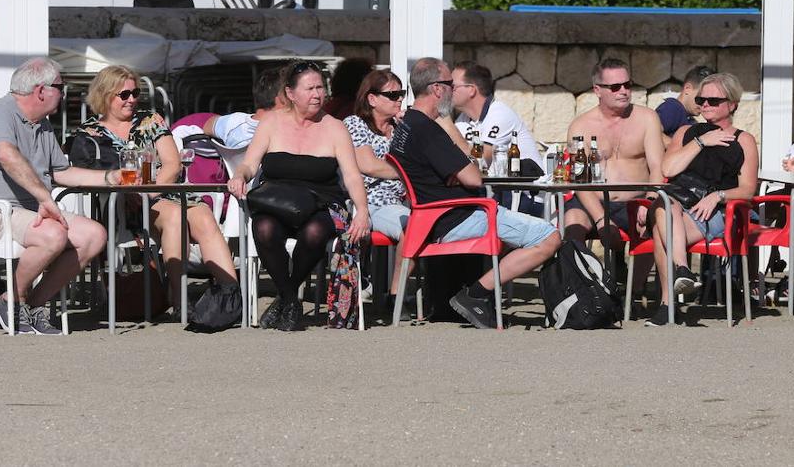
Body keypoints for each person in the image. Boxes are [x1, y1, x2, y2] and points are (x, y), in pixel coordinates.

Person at [388, 57, 559, 330]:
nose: (452, 90)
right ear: (436, 89)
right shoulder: (428, 131)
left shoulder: (406, 126)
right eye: (449, 85)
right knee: (549, 237)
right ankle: (476, 294)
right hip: (456, 217)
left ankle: (474, 295)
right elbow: (473, 176)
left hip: (428, 218)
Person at [72, 65, 237, 312]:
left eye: (135, 93)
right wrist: (132, 193)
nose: (132, 100)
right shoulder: (89, 134)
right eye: (124, 95)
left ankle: (232, 294)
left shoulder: (150, 121)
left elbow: (172, 163)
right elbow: (88, 175)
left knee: (203, 215)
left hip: (161, 190)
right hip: (121, 205)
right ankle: (180, 298)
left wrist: (150, 192)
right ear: (105, 95)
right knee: (173, 215)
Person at [0, 57, 108, 335]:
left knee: (93, 235)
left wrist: (110, 178)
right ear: (41, 90)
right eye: (60, 87)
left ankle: (29, 304)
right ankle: (10, 300)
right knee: (53, 235)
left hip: (24, 214)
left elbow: (61, 172)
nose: (63, 93)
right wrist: (45, 199)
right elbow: (7, 155)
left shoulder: (41, 124)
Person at [227, 61, 371, 331]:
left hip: (322, 201)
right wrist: (239, 176)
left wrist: (362, 210)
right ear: (291, 94)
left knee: (316, 232)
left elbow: (352, 175)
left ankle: (286, 297)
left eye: (320, 87)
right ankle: (291, 300)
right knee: (265, 227)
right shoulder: (271, 123)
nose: (318, 94)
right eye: (310, 88)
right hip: (277, 199)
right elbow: (249, 164)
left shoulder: (335, 127)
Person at [647, 72, 758, 326]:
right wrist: (701, 141)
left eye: (713, 100)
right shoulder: (687, 132)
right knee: (665, 206)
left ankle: (668, 305)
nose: (705, 105)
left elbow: (748, 189)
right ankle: (683, 270)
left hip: (716, 211)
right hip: (679, 204)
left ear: (732, 104)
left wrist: (717, 196)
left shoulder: (744, 140)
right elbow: (668, 169)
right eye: (701, 100)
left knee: (659, 226)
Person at [563, 58, 665, 251]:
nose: (623, 91)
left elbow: (657, 167)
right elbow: (579, 180)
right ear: (597, 90)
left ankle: (636, 282)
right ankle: (578, 279)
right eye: (615, 87)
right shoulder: (580, 126)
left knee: (659, 222)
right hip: (594, 201)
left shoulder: (647, 118)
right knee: (573, 223)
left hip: (637, 201)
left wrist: (649, 202)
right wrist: (602, 219)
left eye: (627, 85)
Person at [342, 68, 409, 314]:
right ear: (371, 99)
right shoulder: (354, 124)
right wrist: (407, 172)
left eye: (402, 93)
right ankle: (396, 296)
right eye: (393, 94)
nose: (400, 99)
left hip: (401, 201)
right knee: (415, 227)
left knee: (436, 221)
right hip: (369, 202)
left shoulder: (401, 127)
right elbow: (368, 165)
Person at [450, 61, 541, 173]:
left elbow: (481, 161)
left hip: (526, 188)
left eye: (452, 86)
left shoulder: (499, 114)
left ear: (471, 90)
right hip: (494, 187)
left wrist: (445, 121)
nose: (447, 91)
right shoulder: (464, 118)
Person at [656, 65, 713, 140]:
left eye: (710, 100)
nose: (705, 104)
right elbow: (651, 133)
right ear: (687, 89)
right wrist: (679, 148)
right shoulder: (673, 108)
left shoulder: (687, 118)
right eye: (701, 99)